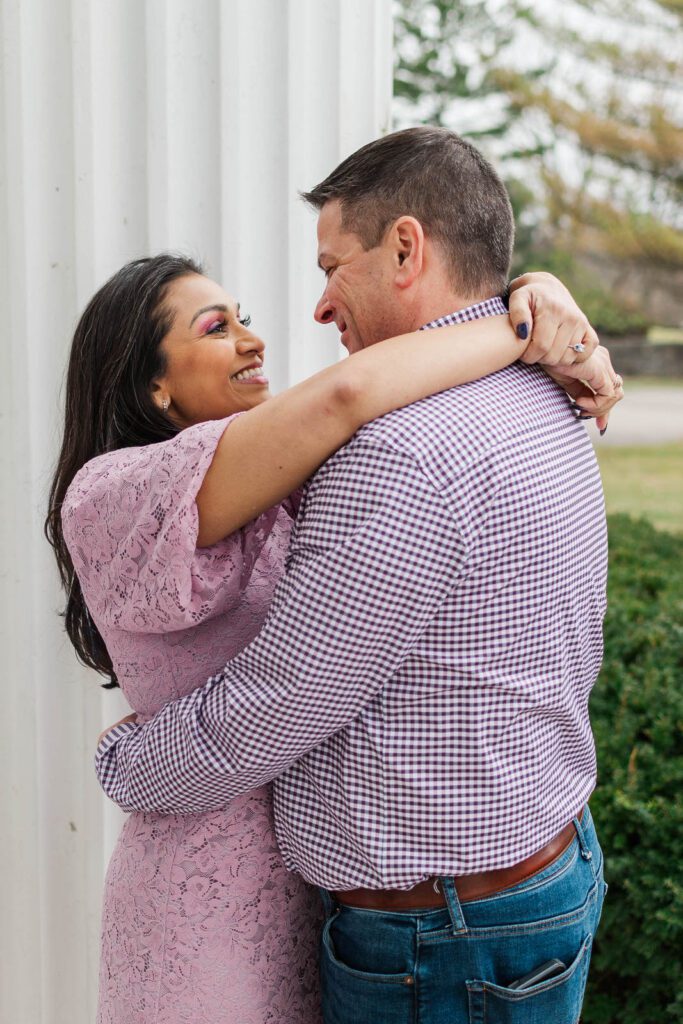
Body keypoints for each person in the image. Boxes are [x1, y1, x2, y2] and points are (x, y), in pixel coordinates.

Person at [46, 247, 616, 1024]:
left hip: (320, 895)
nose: (253, 339)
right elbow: (351, 390)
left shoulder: (285, 476)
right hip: (204, 890)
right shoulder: (114, 494)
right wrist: (523, 325)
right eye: (218, 328)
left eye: (244, 317)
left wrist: (538, 290)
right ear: (152, 383)